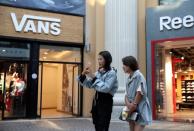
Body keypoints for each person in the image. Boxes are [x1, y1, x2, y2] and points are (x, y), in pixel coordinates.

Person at [78, 51, 118, 131]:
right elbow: (89, 84)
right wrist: (83, 75)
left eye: (101, 59)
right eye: (98, 59)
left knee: (103, 126)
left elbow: (106, 88)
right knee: (97, 124)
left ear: (107, 60)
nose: (99, 61)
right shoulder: (98, 72)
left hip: (106, 101)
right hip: (97, 101)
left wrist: (93, 77)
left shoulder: (112, 73)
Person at [122, 56, 152, 131]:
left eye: (124, 65)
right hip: (131, 108)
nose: (123, 67)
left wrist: (133, 104)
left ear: (130, 65)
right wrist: (128, 104)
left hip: (140, 109)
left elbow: (140, 92)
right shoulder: (129, 78)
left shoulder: (139, 76)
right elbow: (126, 93)